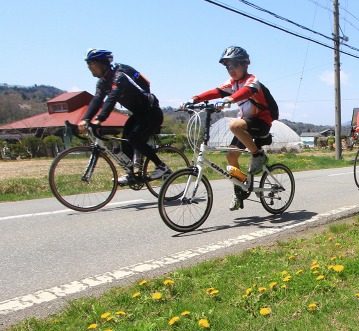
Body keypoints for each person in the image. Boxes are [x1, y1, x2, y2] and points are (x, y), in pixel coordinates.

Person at [186, 46, 273, 211]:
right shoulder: (232, 83)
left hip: (261, 122)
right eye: (227, 67)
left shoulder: (251, 79)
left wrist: (229, 100)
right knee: (231, 157)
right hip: (246, 124)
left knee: (234, 125)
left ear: (244, 64)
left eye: (234, 65)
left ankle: (258, 155)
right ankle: (239, 191)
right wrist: (195, 99)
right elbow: (216, 91)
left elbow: (247, 91)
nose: (230, 70)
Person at [79, 49, 170, 185]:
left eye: (91, 63)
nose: (88, 67)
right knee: (125, 140)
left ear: (103, 63)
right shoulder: (103, 82)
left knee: (134, 138)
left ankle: (162, 167)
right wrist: (85, 119)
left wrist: (99, 119)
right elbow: (97, 100)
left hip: (152, 113)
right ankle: (131, 175)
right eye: (87, 64)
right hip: (139, 114)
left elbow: (112, 98)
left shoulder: (119, 76)